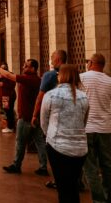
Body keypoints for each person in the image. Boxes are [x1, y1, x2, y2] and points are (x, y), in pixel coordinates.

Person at [41, 64, 89, 203]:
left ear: (61, 76)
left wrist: (48, 136)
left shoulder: (51, 95)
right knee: (73, 185)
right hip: (80, 148)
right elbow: (83, 122)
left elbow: (44, 121)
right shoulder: (83, 97)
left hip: (57, 147)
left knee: (63, 187)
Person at [0, 59, 48, 175]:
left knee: (20, 142)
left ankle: (16, 165)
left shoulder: (29, 79)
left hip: (26, 117)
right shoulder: (38, 80)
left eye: (26, 66)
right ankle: (43, 167)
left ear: (33, 69)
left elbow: (8, 75)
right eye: (24, 65)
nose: (24, 67)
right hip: (35, 117)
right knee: (40, 142)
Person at [31, 49, 68, 189]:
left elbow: (40, 98)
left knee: (56, 152)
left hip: (55, 119)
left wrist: (35, 115)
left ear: (58, 59)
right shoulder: (74, 73)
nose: (51, 60)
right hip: (72, 119)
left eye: (52, 57)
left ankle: (58, 181)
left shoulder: (49, 75)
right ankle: (77, 180)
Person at [80, 53, 111, 203]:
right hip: (106, 128)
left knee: (90, 166)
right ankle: (107, 194)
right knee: (107, 164)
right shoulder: (109, 81)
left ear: (91, 62)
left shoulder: (82, 78)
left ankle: (99, 200)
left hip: (87, 128)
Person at [0, 62, 16, 133]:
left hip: (9, 96)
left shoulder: (10, 75)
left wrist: (3, 84)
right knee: (7, 111)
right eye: (1, 68)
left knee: (9, 111)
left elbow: (12, 85)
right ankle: (9, 126)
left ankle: (10, 127)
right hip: (4, 97)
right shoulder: (2, 76)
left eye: (4, 68)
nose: (2, 70)